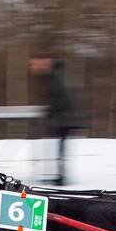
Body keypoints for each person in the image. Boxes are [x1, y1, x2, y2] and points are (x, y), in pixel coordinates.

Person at [30, 56, 83, 185]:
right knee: (60, 149)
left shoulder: (55, 78)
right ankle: (60, 176)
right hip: (66, 119)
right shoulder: (59, 76)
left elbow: (59, 100)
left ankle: (61, 177)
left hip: (64, 120)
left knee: (60, 149)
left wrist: (50, 111)